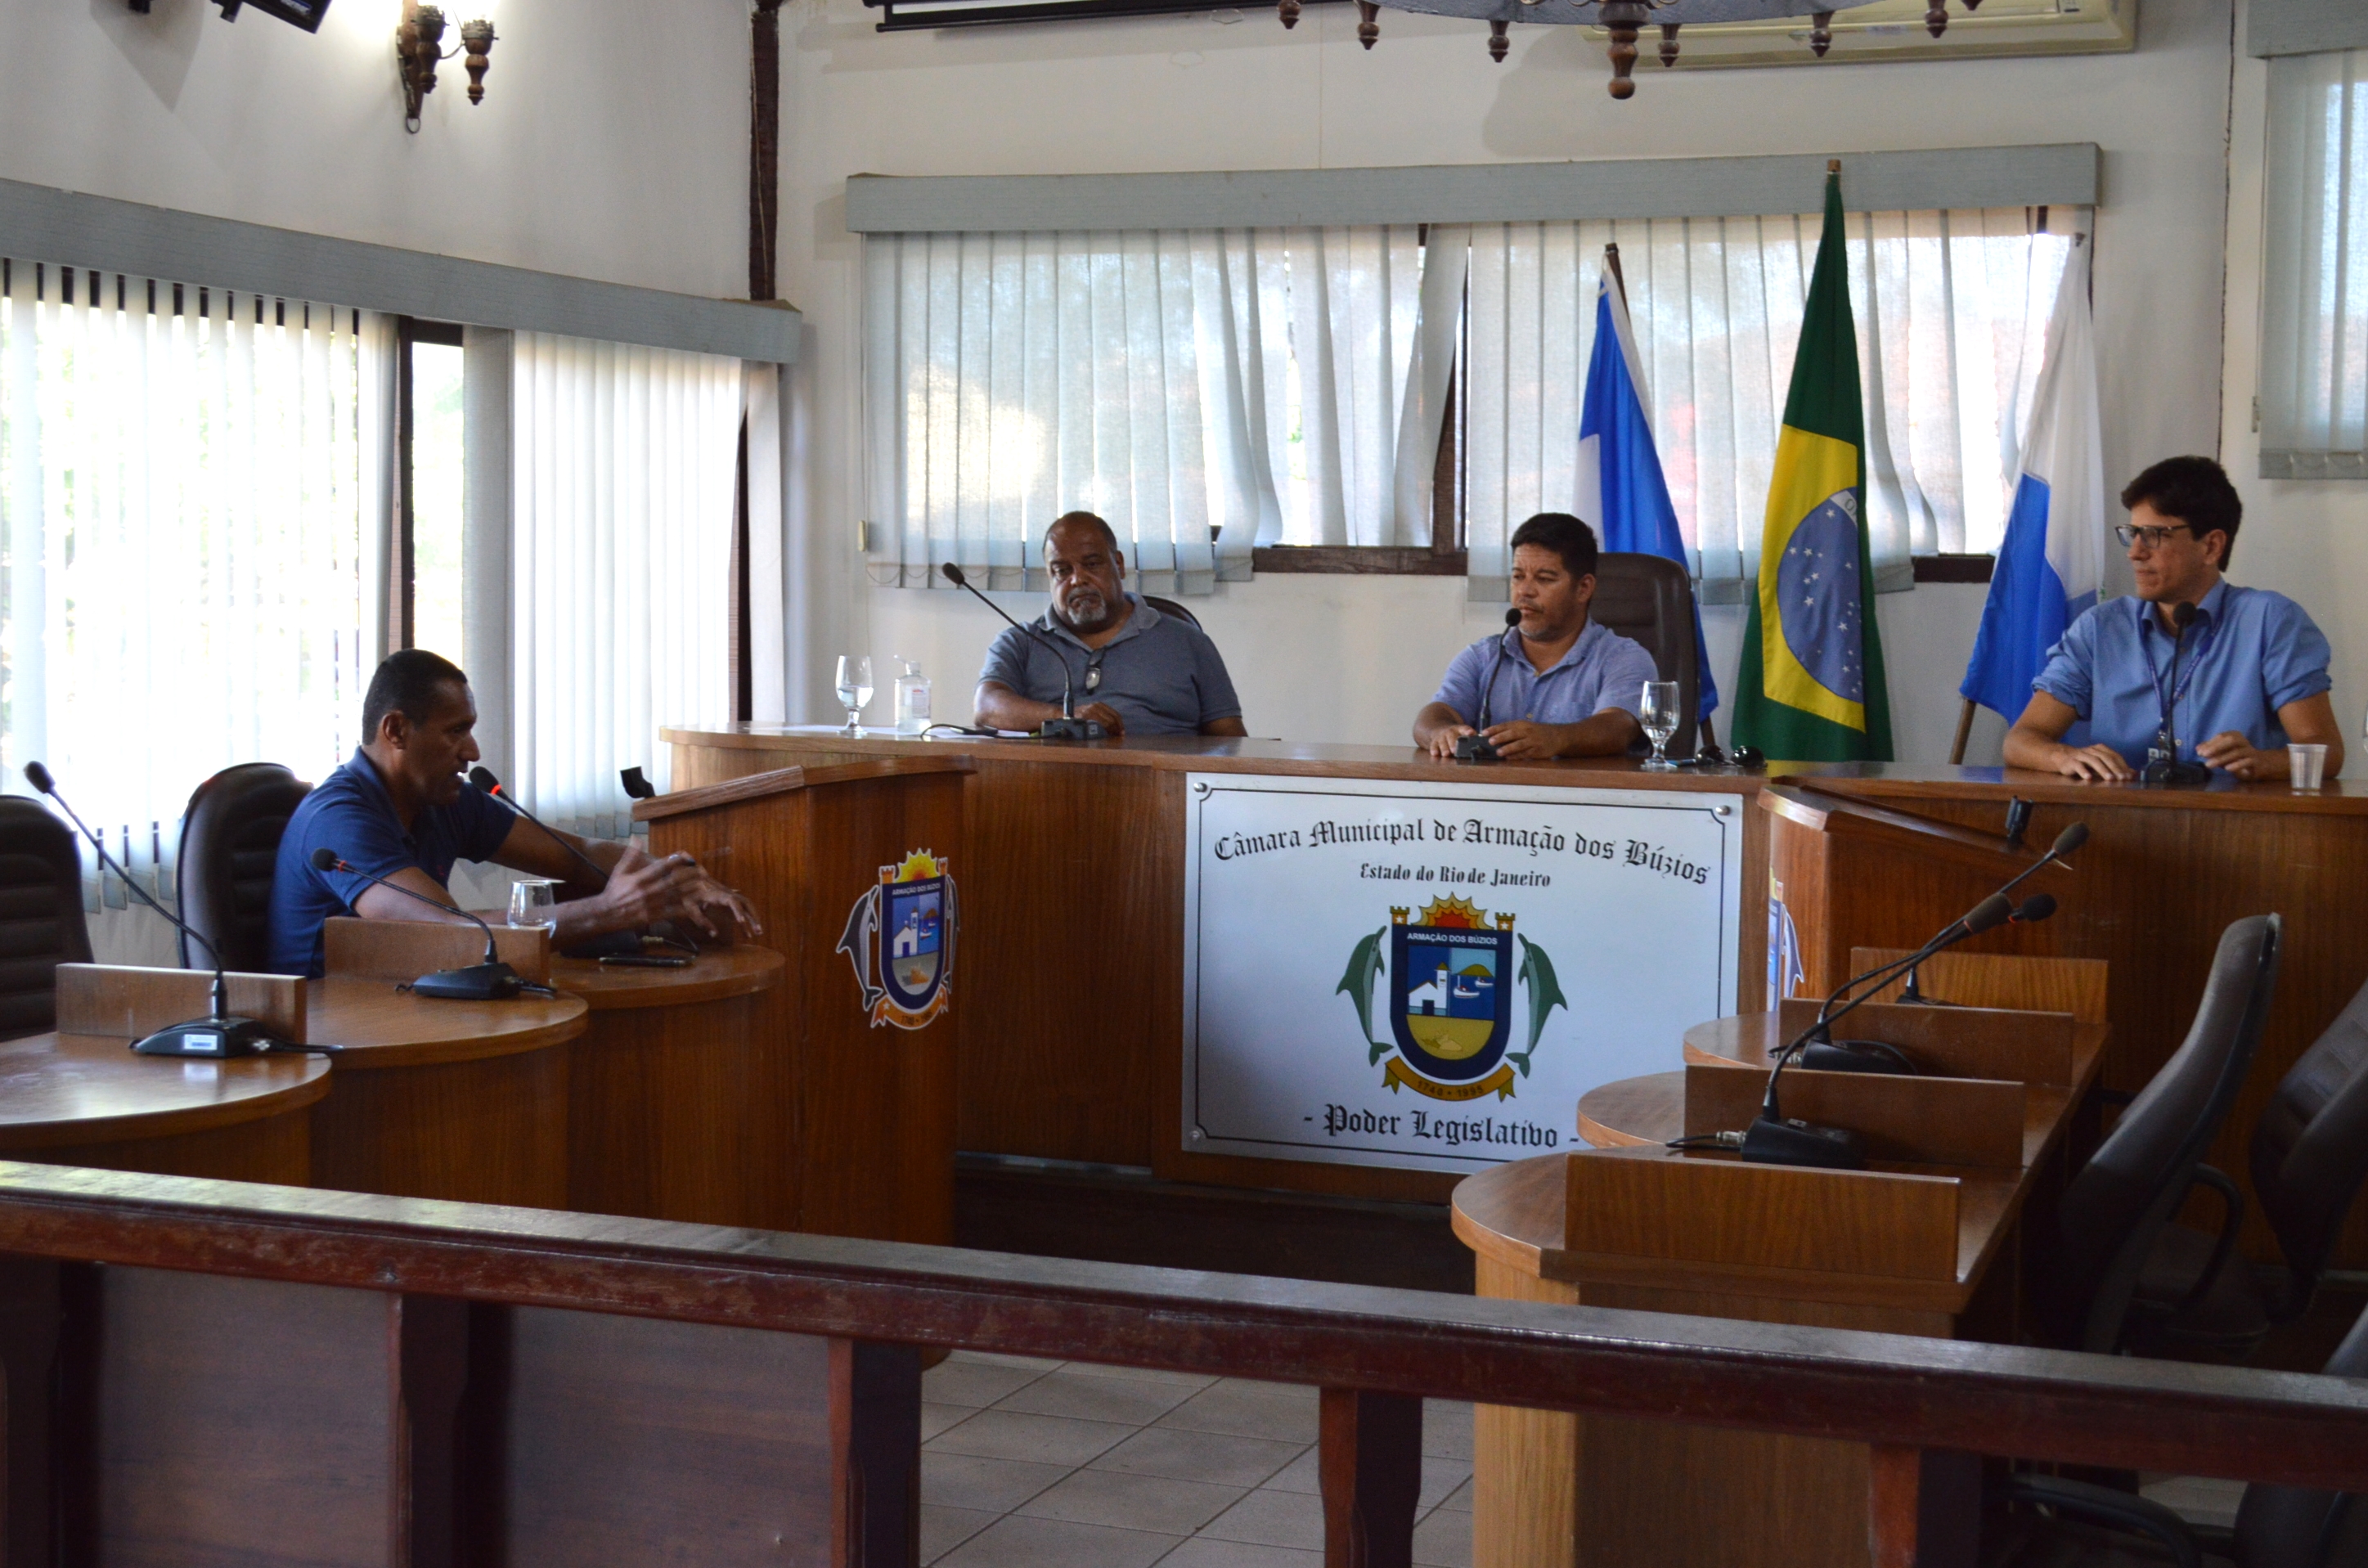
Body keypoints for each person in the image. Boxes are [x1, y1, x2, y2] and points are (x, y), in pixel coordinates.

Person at [267, 649, 759, 977]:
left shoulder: (445, 799)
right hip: (326, 1030)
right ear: (395, 731)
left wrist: (675, 879)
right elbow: (444, 933)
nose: (473, 751)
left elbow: (578, 854)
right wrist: (607, 910)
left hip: (397, 1003)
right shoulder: (341, 817)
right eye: (455, 732)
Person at [2002, 456, 2343, 784]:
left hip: (2238, 822)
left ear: (2211, 546)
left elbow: (2325, 751)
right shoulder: (2101, 628)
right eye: (2132, 533)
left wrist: (2263, 761)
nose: (2135, 552)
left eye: (2154, 535)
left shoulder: (2270, 621)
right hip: (2124, 823)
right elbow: (2021, 740)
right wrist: (2063, 758)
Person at [973, 512, 1248, 739]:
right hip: (1051, 787)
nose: (1077, 580)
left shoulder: (1188, 642)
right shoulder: (1020, 641)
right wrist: (1066, 716)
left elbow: (1230, 741)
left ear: (1118, 564)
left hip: (1164, 786)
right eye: (1062, 570)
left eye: (1091, 564)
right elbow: (986, 709)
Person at [1414, 513, 1660, 762]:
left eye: (1544, 579)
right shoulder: (1482, 657)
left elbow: (1619, 727)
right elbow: (1434, 715)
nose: (1525, 591)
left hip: (1586, 798)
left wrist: (1557, 738)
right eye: (1518, 576)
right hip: (1493, 798)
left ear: (1584, 588)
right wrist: (1441, 732)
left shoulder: (1624, 658)